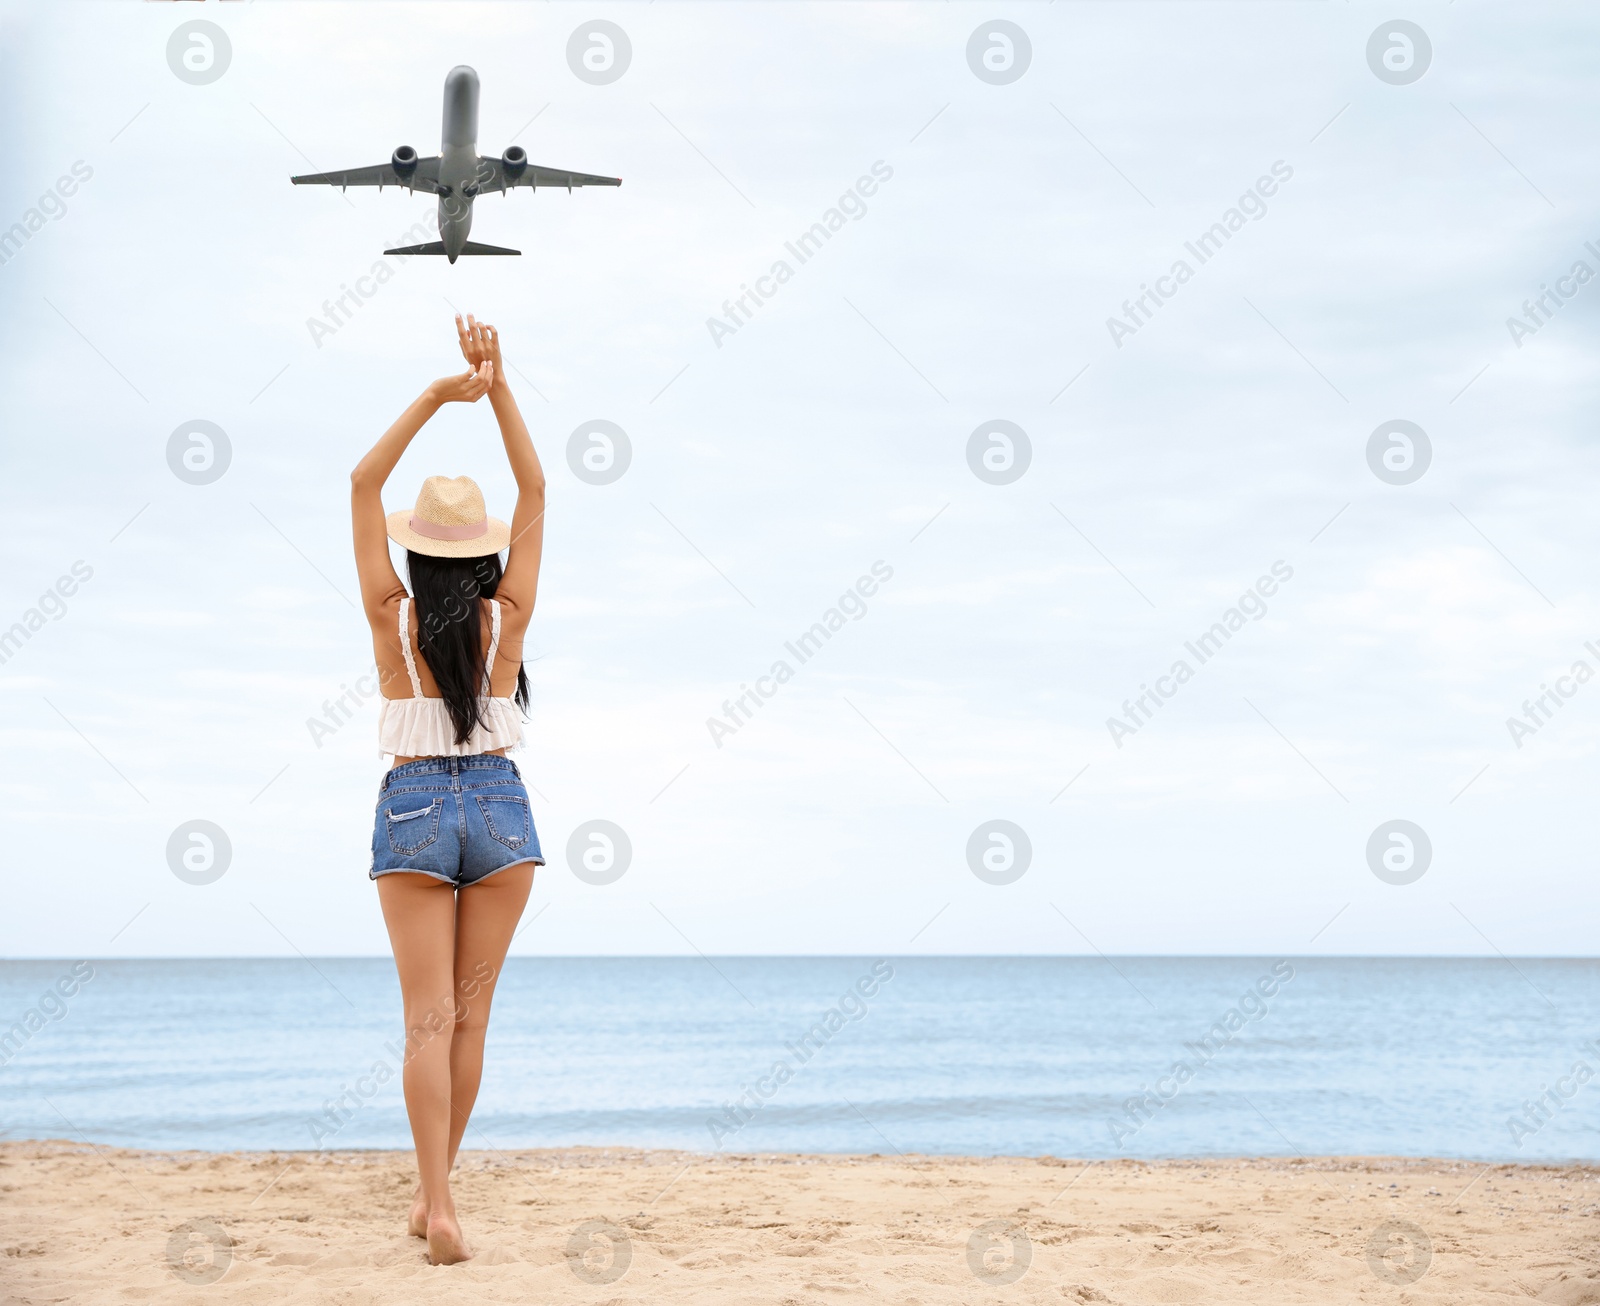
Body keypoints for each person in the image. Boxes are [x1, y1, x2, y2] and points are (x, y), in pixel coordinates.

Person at [349, 314, 545, 1265]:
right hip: (503, 807)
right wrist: (497, 383)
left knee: (426, 1017)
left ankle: (439, 1203)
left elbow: (361, 482)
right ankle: (440, 1202)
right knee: (470, 1017)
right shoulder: (509, 616)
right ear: (484, 554)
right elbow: (539, 486)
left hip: (417, 801)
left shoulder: (394, 617)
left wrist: (438, 393)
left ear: (420, 553)